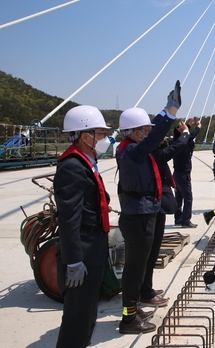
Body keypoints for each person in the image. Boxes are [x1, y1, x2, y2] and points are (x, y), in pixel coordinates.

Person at [116, 81, 181, 334]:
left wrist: (165, 113)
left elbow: (152, 137)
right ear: (131, 132)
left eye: (146, 130)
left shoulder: (131, 148)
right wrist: (170, 111)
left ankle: (132, 308)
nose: (147, 134)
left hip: (143, 213)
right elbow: (152, 140)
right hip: (138, 216)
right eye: (142, 130)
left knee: (139, 266)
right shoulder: (131, 152)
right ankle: (128, 318)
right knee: (134, 268)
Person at [54, 105, 112, 347]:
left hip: (93, 248)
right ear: (85, 135)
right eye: (100, 133)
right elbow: (68, 219)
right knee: (77, 319)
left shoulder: (87, 160)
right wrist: (73, 260)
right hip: (83, 253)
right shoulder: (72, 166)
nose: (104, 139)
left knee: (88, 315)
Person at [140, 121, 192, 307]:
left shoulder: (154, 150)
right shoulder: (152, 153)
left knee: (153, 252)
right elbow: (174, 149)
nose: (163, 138)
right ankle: (144, 292)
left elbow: (172, 145)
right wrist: (185, 133)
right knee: (148, 252)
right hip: (151, 207)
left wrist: (180, 134)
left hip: (157, 206)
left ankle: (147, 287)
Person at [172, 118, 201, 228]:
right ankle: (186, 221)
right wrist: (198, 127)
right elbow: (190, 136)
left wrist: (188, 124)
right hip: (183, 174)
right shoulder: (182, 143)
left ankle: (178, 219)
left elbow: (187, 136)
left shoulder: (176, 142)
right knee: (188, 197)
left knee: (179, 198)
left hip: (177, 174)